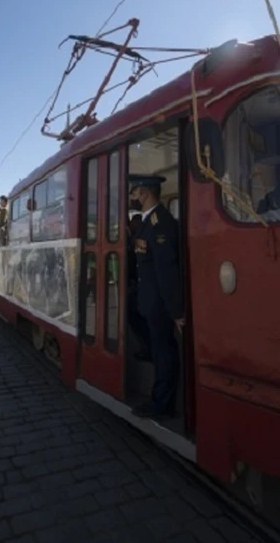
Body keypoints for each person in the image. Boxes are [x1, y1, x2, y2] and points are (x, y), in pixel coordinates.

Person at [127, 174, 184, 421]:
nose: (132, 197)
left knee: (165, 353)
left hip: (160, 303)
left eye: (134, 192)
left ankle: (162, 404)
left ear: (144, 193)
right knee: (132, 312)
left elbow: (167, 271)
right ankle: (149, 352)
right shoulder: (148, 223)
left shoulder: (161, 224)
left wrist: (177, 312)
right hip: (149, 300)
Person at [126, 213, 152, 361]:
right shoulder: (135, 237)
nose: (131, 224)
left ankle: (148, 349)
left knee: (136, 317)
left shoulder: (138, 238)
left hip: (138, 285)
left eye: (134, 222)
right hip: (136, 284)